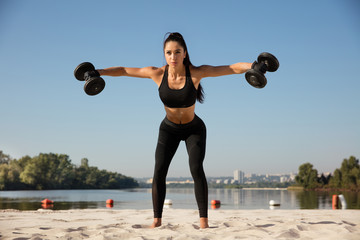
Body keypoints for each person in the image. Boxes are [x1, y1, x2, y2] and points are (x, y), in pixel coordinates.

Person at [96, 32, 253, 229]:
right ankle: (157, 220)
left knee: (196, 169)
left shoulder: (196, 73)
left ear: (185, 53)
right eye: (169, 53)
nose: (173, 57)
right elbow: (125, 70)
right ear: (164, 55)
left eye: (177, 52)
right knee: (159, 171)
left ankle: (203, 221)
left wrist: (253, 66)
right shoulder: (157, 74)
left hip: (193, 129)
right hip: (168, 129)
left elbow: (231, 68)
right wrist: (98, 72)